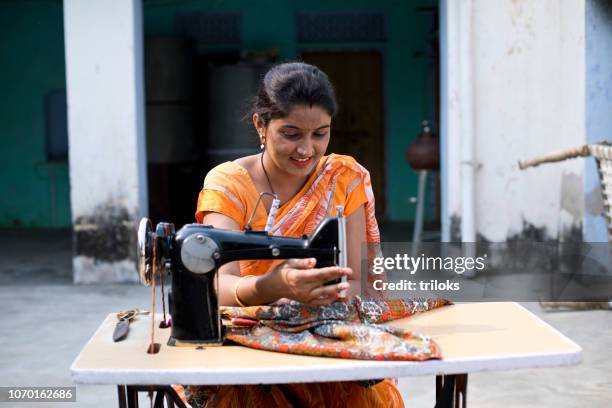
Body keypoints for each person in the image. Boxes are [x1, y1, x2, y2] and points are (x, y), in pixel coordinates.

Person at [187, 62, 403, 407]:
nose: (306, 150)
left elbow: (357, 283)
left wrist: (320, 300)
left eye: (320, 133)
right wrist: (269, 287)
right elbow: (217, 286)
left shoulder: (343, 178)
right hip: (247, 358)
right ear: (261, 124)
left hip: (323, 350)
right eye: (291, 134)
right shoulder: (228, 185)